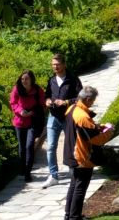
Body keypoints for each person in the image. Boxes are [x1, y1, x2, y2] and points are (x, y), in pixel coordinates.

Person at [63, 86, 113, 220]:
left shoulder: (71, 109)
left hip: (71, 153)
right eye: (93, 101)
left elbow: (83, 130)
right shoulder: (83, 116)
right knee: (80, 188)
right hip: (82, 157)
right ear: (88, 98)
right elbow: (95, 139)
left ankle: (69, 215)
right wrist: (108, 133)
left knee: (74, 185)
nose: (92, 103)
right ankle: (75, 217)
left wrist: (97, 127)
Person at [43, 54, 83, 189]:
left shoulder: (73, 79)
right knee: (50, 147)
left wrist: (66, 102)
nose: (55, 66)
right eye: (53, 64)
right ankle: (53, 175)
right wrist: (47, 101)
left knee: (71, 145)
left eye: (58, 64)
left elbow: (80, 98)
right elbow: (47, 95)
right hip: (53, 117)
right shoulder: (51, 80)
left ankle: (73, 171)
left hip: (68, 117)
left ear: (64, 64)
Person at [10, 70, 46, 182]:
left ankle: (27, 172)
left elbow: (42, 105)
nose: (24, 81)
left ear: (31, 80)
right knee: (22, 148)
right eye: (22, 79)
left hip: (33, 122)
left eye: (27, 79)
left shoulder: (37, 90)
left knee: (29, 146)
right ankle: (23, 168)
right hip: (20, 122)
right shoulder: (17, 89)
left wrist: (32, 113)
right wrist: (20, 111)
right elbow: (13, 103)